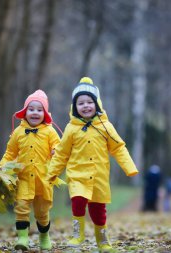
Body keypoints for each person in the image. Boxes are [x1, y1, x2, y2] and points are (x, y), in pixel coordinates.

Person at [46, 77, 139, 250]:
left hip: (98, 176)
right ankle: (78, 234)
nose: (86, 106)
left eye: (90, 102)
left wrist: (129, 167)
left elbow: (118, 148)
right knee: (78, 200)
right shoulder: (71, 128)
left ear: (97, 104)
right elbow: (61, 153)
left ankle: (102, 240)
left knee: (98, 210)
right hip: (77, 174)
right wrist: (52, 173)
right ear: (75, 108)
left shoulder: (106, 127)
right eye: (81, 103)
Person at [0, 89, 61, 251]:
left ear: (45, 113)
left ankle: (44, 236)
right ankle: (23, 239)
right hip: (23, 177)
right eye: (31, 109)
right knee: (21, 207)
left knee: (42, 212)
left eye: (39, 110)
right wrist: (2, 167)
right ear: (25, 112)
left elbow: (59, 148)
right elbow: (10, 153)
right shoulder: (18, 133)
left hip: (43, 179)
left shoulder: (50, 131)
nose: (35, 113)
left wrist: (55, 151)